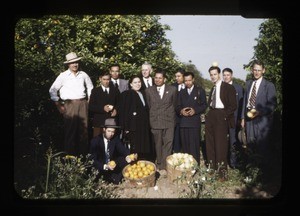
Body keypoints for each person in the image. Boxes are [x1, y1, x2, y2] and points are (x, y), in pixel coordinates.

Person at [49, 52, 94, 156]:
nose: (75, 65)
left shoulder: (83, 74)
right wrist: (59, 105)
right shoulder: (63, 76)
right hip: (69, 105)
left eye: (76, 62)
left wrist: (89, 101)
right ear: (68, 64)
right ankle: (70, 158)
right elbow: (52, 90)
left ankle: (83, 158)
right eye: (72, 63)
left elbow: (90, 87)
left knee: (84, 131)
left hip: (82, 104)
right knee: (70, 131)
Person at [241, 60, 277, 174]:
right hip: (249, 120)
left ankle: (264, 176)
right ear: (252, 70)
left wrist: (259, 112)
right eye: (255, 70)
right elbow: (244, 103)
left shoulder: (269, 85)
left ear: (263, 70)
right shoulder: (248, 84)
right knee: (250, 146)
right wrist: (242, 118)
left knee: (263, 147)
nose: (256, 72)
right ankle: (252, 172)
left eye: (259, 70)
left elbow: (272, 105)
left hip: (262, 121)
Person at [205, 65, 237, 181]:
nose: (213, 77)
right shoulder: (213, 88)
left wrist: (224, 116)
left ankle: (222, 173)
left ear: (219, 74)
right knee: (210, 144)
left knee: (221, 145)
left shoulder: (228, 87)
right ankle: (212, 169)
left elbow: (233, 106)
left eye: (215, 74)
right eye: (211, 75)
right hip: (212, 115)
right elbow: (210, 103)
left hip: (221, 116)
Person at [145, 69, 177, 171]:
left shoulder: (172, 89)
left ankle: (165, 164)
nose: (157, 80)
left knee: (168, 143)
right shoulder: (148, 90)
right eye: (156, 78)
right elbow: (149, 106)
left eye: (160, 78)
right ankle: (159, 162)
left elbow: (174, 104)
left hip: (169, 121)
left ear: (165, 79)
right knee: (158, 144)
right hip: (156, 121)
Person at [89, 118, 137, 185]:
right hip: (101, 166)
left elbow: (122, 149)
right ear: (104, 129)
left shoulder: (115, 138)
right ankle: (108, 178)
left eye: (113, 132)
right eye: (109, 131)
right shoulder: (95, 141)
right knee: (98, 175)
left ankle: (113, 177)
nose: (111, 134)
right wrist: (105, 166)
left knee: (124, 160)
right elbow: (92, 160)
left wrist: (128, 155)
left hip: (112, 165)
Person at [118, 75, 154, 161]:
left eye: (139, 82)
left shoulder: (143, 93)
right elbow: (124, 112)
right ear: (131, 84)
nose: (138, 84)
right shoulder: (127, 94)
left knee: (143, 147)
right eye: (135, 82)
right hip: (133, 126)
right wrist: (125, 127)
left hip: (143, 125)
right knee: (134, 148)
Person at [176, 72, 207, 164]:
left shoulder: (199, 91)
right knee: (185, 146)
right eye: (185, 81)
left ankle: (195, 165)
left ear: (193, 80)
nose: (188, 83)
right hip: (184, 123)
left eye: (189, 80)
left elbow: (204, 105)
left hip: (194, 123)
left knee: (194, 145)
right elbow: (177, 106)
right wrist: (181, 111)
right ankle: (186, 165)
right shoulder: (181, 92)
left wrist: (195, 110)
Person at [222, 68, 244, 168]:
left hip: (234, 119)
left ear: (232, 76)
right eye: (224, 75)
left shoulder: (238, 88)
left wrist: (240, 118)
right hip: (222, 119)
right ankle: (222, 161)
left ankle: (233, 162)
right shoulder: (220, 87)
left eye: (228, 75)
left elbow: (241, 104)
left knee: (233, 140)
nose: (226, 77)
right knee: (222, 140)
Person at [88, 71, 120, 137]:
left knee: (112, 143)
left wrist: (116, 110)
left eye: (108, 79)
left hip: (112, 121)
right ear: (100, 79)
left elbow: (120, 103)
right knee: (97, 143)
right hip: (99, 121)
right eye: (104, 79)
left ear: (110, 79)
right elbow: (91, 107)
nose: (106, 81)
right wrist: (103, 108)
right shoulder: (95, 91)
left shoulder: (115, 90)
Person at [171, 68, 186, 153]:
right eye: (176, 76)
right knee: (176, 138)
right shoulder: (172, 87)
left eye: (179, 76)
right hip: (175, 117)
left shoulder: (189, 86)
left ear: (183, 76)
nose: (177, 78)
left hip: (186, 117)